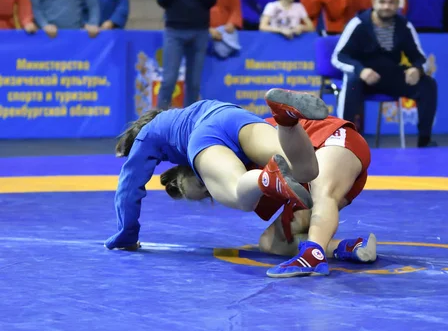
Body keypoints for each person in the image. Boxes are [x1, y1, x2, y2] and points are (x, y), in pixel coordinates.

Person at [104, 89, 329, 251]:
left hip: (205, 134)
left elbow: (129, 188)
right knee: (305, 170)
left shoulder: (147, 136)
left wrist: (127, 234)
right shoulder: (185, 112)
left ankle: (265, 179)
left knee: (239, 195)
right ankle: (287, 121)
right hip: (232, 115)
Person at [161, 115, 377, 278]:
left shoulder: (235, 139)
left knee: (322, 191)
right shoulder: (242, 179)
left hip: (330, 140)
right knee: (271, 242)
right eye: (207, 193)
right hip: (315, 174)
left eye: (204, 182)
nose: (212, 188)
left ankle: (313, 255)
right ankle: (347, 247)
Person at [332, 0, 438, 147]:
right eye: (382, 2)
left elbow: (420, 58)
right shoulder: (358, 24)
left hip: (391, 79)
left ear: (397, 4)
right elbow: (338, 57)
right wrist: (361, 70)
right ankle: (344, 140)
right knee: (352, 81)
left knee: (428, 84)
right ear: (373, 2)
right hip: (364, 81)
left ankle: (425, 140)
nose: (386, 7)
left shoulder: (404, 26)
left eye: (391, 3)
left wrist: (416, 69)